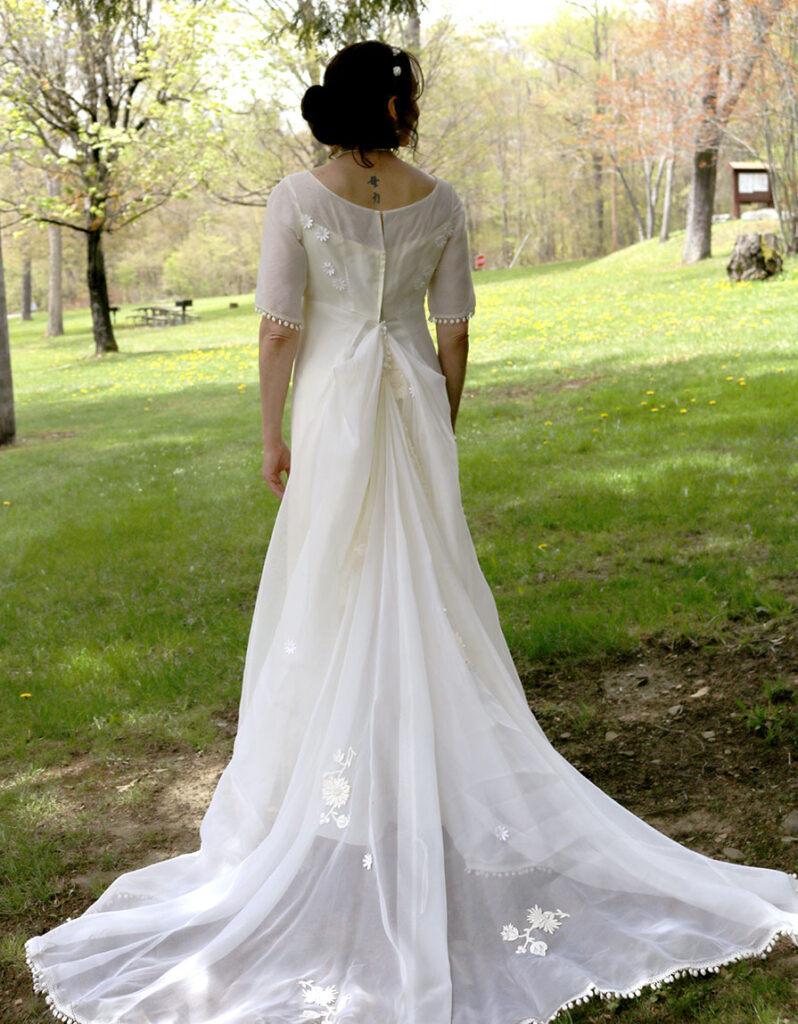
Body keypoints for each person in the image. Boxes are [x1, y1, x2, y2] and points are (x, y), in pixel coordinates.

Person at [25, 39, 797, 1024]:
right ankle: (416, 772)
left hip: (337, 410)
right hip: (410, 405)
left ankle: (328, 793)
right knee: (428, 588)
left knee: (330, 584)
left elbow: (278, 327)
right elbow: (456, 329)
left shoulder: (298, 198)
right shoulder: (440, 197)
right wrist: (443, 415)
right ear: (394, 105)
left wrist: (272, 434)